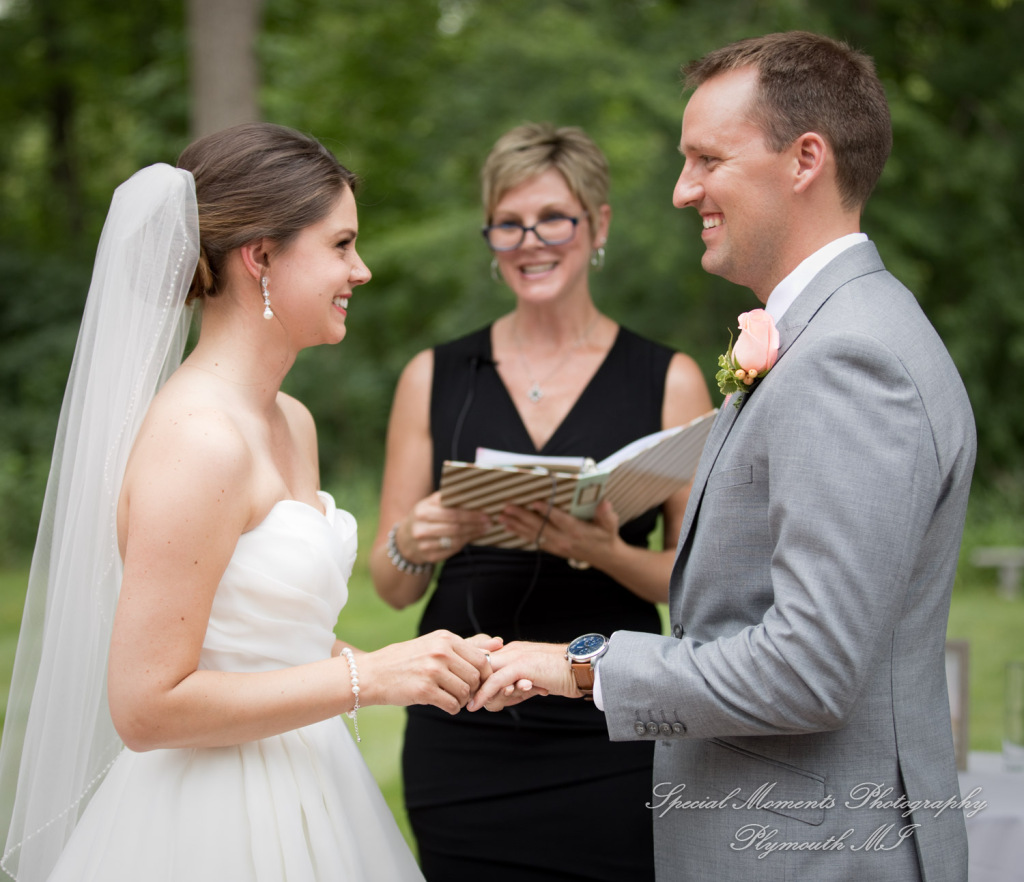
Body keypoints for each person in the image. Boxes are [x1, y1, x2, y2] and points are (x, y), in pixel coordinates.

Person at [472, 32, 976, 882]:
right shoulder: (833, 332)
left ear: (805, 159)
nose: (681, 191)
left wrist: (578, 666)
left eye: (707, 159)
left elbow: (808, 669)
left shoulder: (853, 359)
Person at [0, 122, 499, 882]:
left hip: (313, 781)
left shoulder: (290, 421)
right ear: (260, 256)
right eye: (340, 245)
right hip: (210, 819)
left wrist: (420, 667)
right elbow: (145, 707)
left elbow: (268, 644)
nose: (360, 271)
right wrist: (371, 679)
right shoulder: (199, 440)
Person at [369, 122, 711, 881]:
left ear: (598, 226)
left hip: (609, 729)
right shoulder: (435, 374)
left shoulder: (671, 380)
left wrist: (602, 551)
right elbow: (391, 590)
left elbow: (697, 591)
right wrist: (413, 541)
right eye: (508, 223)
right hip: (461, 734)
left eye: (553, 218)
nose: (530, 241)